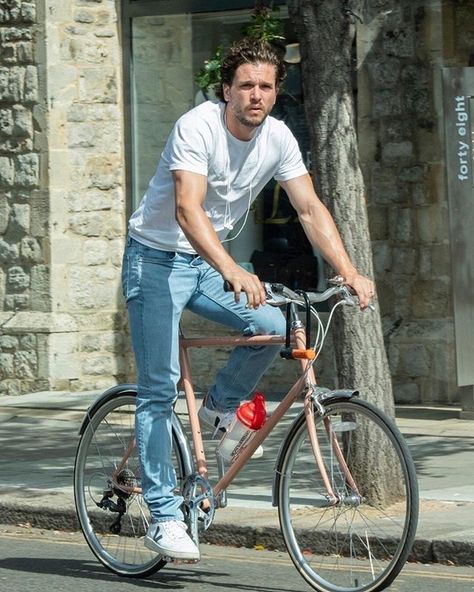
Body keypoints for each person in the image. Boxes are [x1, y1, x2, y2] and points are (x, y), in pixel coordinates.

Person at [122, 38, 374, 561]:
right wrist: (233, 267)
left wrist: (348, 271)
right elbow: (189, 211)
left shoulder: (278, 138)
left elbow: (309, 209)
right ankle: (165, 515)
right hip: (156, 259)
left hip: (204, 264)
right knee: (158, 387)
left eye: (265, 86)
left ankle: (219, 411)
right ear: (226, 90)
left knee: (275, 328)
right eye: (245, 86)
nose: (255, 95)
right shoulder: (197, 128)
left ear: (276, 91)